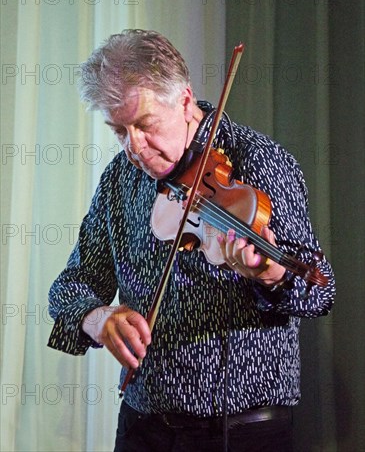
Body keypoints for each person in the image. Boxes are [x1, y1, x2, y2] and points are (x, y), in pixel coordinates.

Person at [48, 29, 335, 452]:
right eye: (119, 131)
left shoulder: (257, 160)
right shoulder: (120, 178)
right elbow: (70, 288)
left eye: (145, 126)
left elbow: (319, 292)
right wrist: (98, 320)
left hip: (239, 431)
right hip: (142, 425)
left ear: (184, 100)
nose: (135, 148)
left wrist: (269, 273)